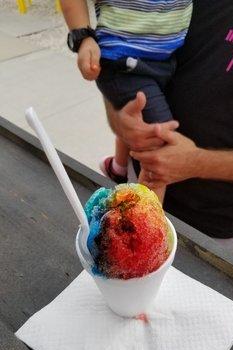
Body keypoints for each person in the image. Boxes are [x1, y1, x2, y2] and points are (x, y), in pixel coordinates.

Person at [103, 1, 233, 252]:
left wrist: (197, 162)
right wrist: (118, 116)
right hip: (137, 185)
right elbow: (123, 53)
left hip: (210, 228)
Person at [60, 0, 193, 203]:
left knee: (137, 119)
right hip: (123, 61)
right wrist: (83, 37)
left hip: (166, 60)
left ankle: (118, 168)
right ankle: (139, 223)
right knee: (159, 141)